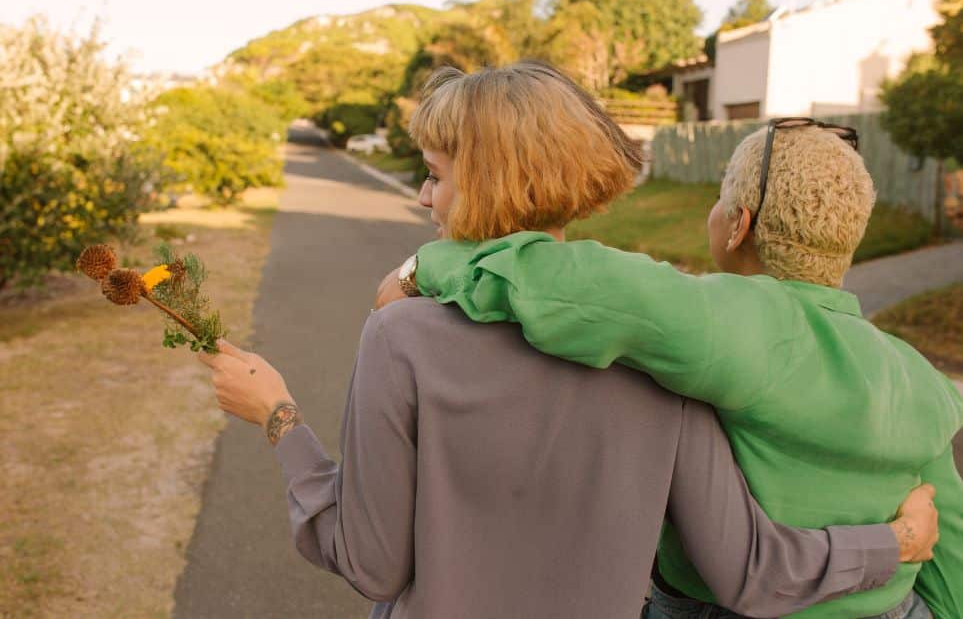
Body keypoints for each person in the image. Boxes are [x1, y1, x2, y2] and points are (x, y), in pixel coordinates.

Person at [199, 62, 941, 619]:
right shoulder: (663, 353)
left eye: (433, 175)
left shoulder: (402, 336)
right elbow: (744, 565)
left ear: (488, 183)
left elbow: (370, 562)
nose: (424, 196)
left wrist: (279, 418)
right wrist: (893, 546)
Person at [377, 105, 963, 615]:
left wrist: (422, 269)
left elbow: (566, 283)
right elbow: (950, 549)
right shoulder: (921, 378)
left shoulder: (732, 321)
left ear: (737, 227)